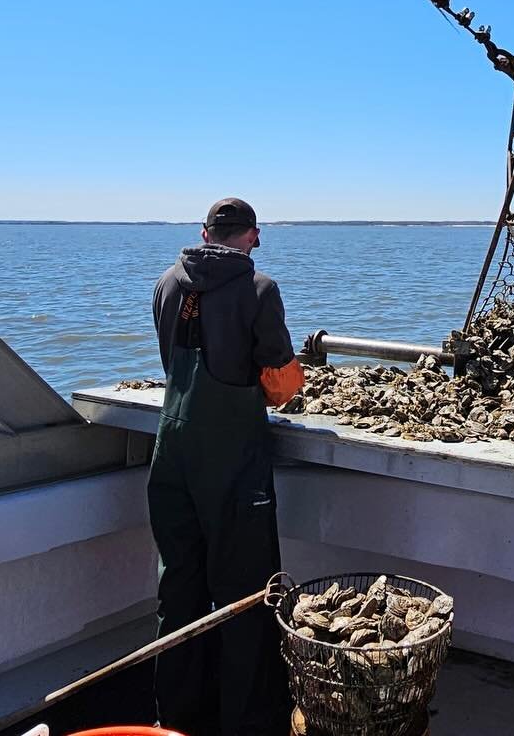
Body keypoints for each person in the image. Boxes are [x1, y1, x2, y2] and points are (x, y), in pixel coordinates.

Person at [148, 197, 305, 736]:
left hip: (170, 455)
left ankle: (177, 717)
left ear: (204, 232)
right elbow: (281, 384)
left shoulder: (168, 282)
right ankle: (249, 722)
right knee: (246, 595)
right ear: (253, 236)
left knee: (179, 588)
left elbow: (171, 363)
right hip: (232, 465)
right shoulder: (260, 289)